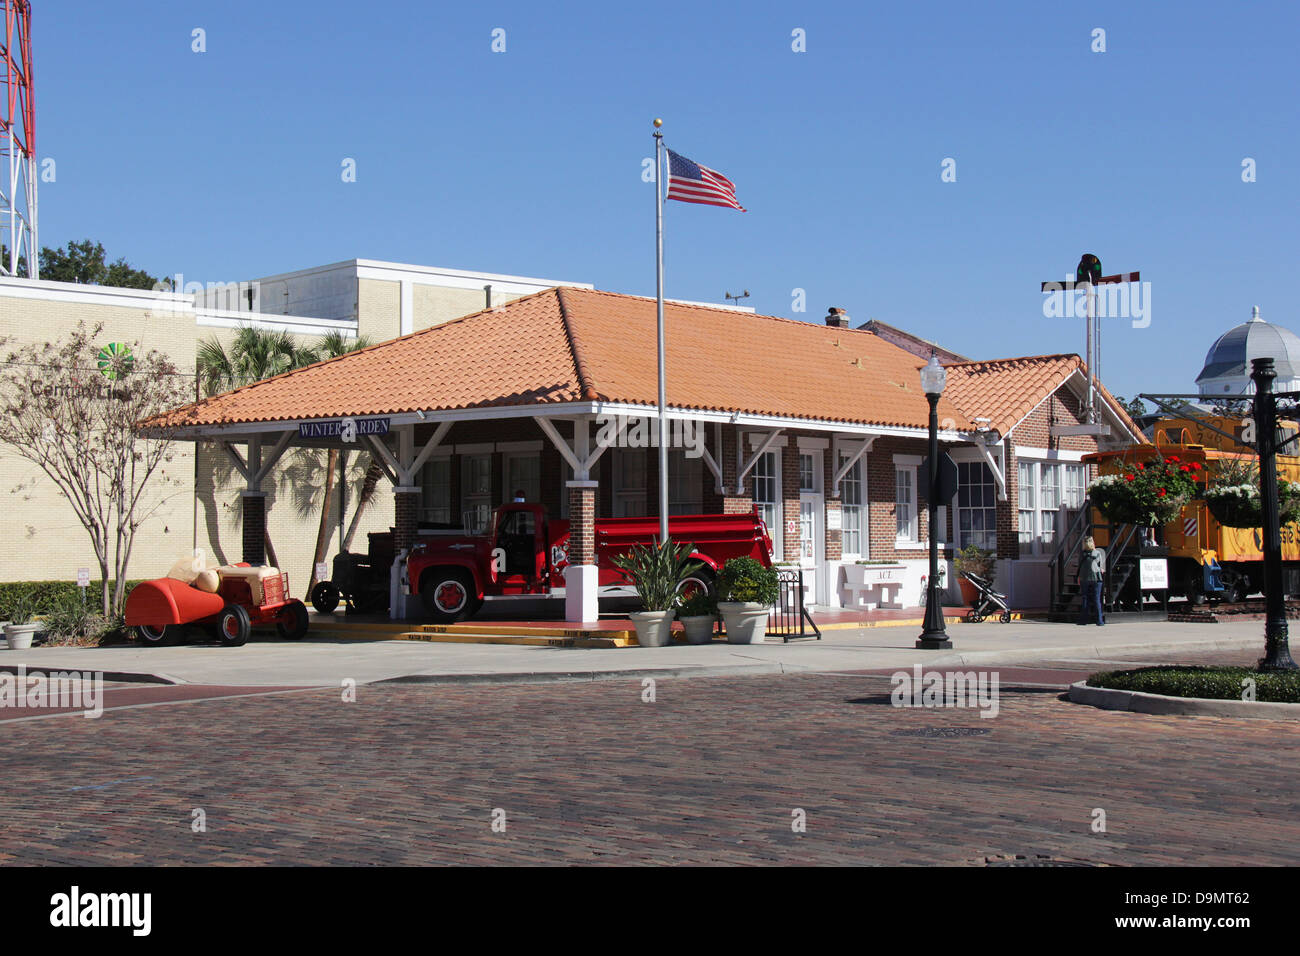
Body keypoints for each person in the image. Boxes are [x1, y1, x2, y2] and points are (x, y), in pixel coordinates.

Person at [1077, 535, 1106, 626]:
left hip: (1084, 577)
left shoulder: (1082, 554)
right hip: (1096, 578)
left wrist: (1078, 577)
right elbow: (1101, 567)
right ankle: (1099, 621)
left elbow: (1080, 566)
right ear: (1092, 542)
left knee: (1085, 598)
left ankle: (1084, 620)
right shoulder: (1097, 553)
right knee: (1096, 599)